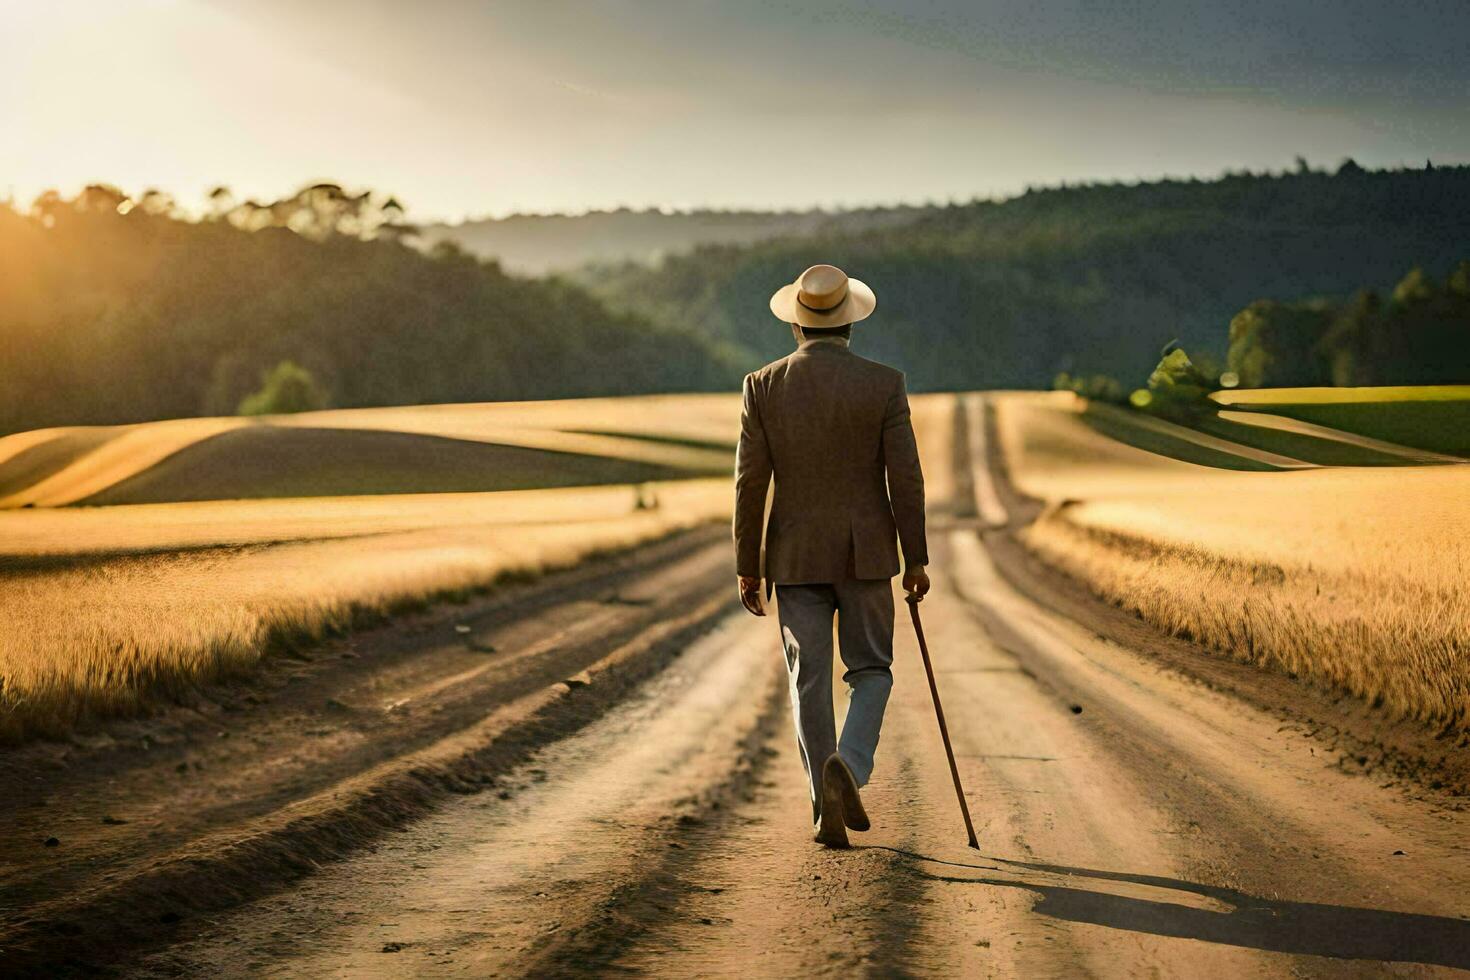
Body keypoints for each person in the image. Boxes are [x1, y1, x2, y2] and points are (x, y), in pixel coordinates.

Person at [733, 263, 930, 848]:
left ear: (797, 324)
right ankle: (851, 763)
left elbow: (749, 483)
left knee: (808, 681)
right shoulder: (884, 383)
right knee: (871, 671)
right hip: (867, 555)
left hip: (793, 558)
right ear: (850, 323)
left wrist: (749, 564)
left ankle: (825, 805)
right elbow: (907, 479)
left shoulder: (762, 386)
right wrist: (915, 558)